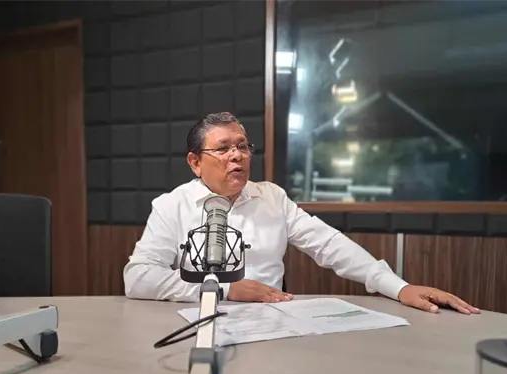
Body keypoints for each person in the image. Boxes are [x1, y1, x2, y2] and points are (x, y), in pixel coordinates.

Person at [123, 112, 480, 315]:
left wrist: (399, 288)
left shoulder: (271, 197)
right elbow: (138, 278)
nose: (237, 155)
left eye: (243, 146)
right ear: (195, 162)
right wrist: (223, 290)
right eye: (223, 148)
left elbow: (329, 245)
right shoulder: (171, 205)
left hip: (271, 326)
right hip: (196, 323)